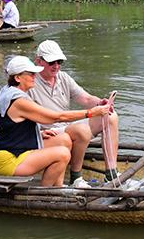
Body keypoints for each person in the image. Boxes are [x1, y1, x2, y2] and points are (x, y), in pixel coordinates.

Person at [0, 56, 111, 187]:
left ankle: (58, 185)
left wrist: (37, 133)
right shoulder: (19, 101)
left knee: (64, 139)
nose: (34, 76)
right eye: (30, 74)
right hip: (10, 160)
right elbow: (56, 117)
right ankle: (45, 193)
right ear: (17, 78)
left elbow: (11, 125)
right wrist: (91, 112)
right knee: (63, 154)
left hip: (19, 149)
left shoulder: (10, 91)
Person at [29, 40, 121, 185]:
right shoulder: (30, 82)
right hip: (49, 131)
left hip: (66, 124)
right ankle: (76, 177)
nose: (56, 66)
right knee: (81, 130)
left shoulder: (63, 77)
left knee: (111, 116)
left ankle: (111, 172)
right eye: (52, 62)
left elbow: (85, 98)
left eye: (59, 62)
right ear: (39, 61)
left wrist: (100, 103)